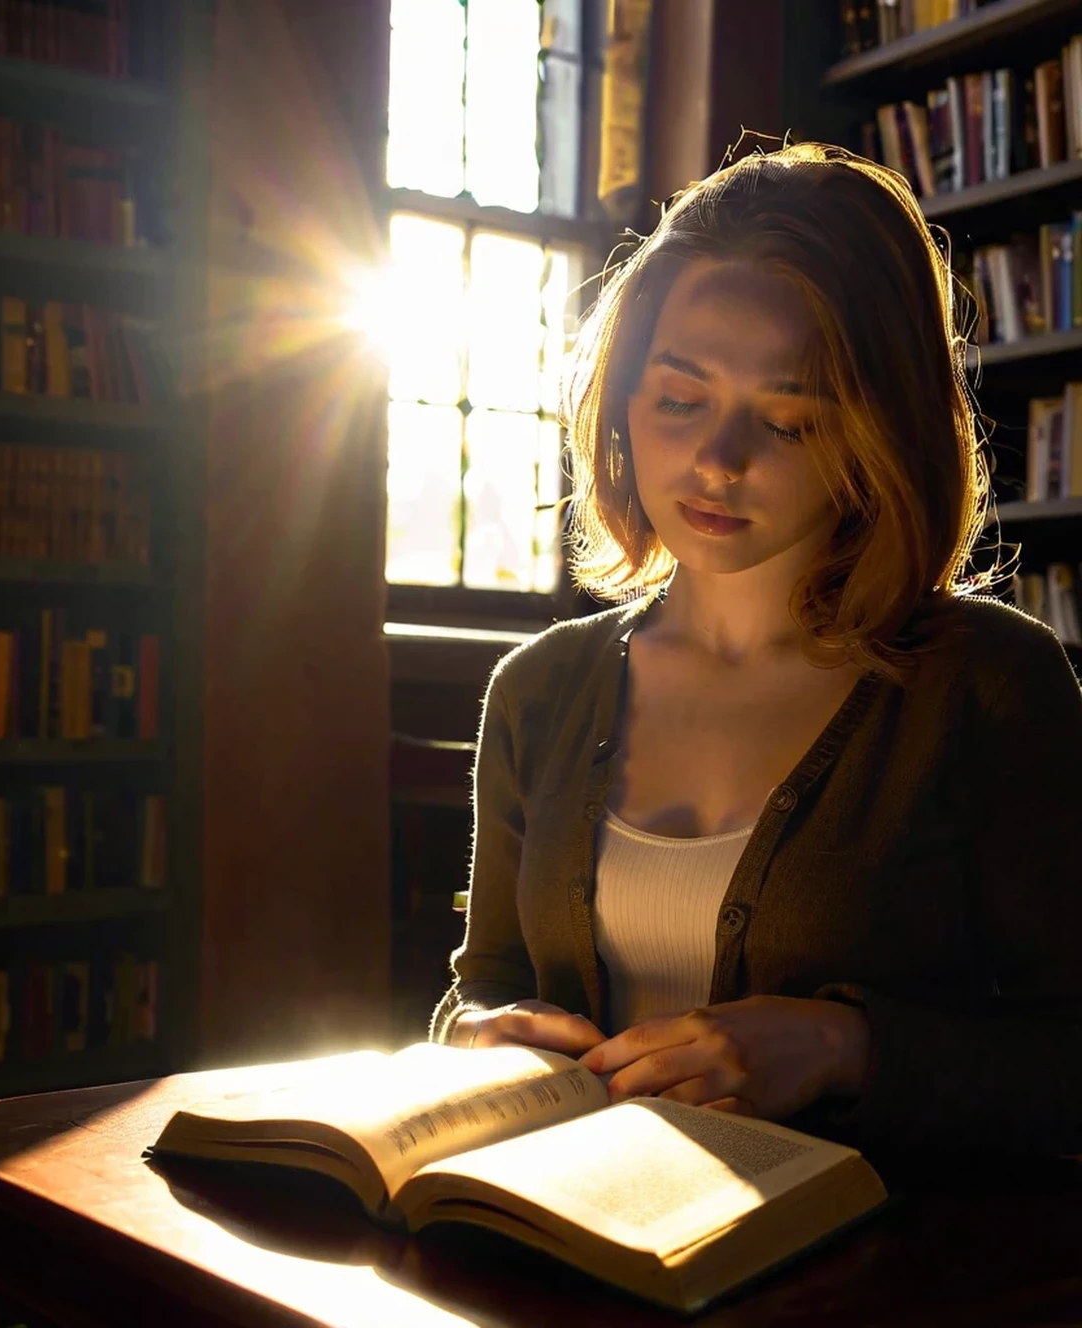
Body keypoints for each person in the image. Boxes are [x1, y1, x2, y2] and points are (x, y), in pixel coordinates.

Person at [429, 141, 1082, 1157]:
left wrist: (843, 1045)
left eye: (786, 421)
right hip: (564, 1263)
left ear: (879, 433)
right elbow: (486, 991)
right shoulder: (538, 688)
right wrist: (472, 1038)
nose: (714, 463)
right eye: (678, 399)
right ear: (618, 400)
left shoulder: (985, 685)